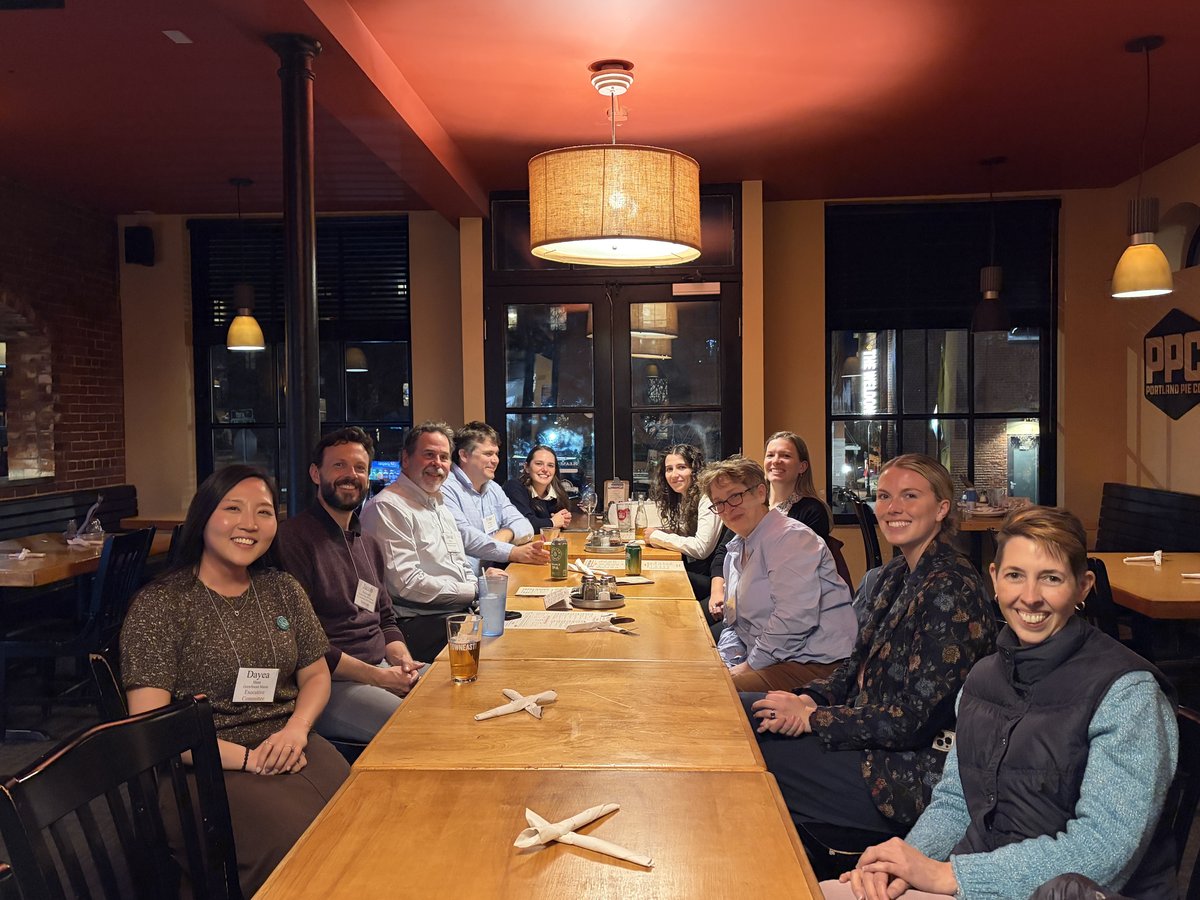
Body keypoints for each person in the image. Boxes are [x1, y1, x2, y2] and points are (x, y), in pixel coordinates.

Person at [826, 506, 1178, 900]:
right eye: (1015, 576)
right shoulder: (982, 678)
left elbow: (1102, 851)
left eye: (1051, 578)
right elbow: (956, 803)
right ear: (994, 580)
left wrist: (952, 877)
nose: (1030, 598)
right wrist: (907, 864)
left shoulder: (1128, 693)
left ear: (1083, 586)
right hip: (973, 878)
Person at [744, 454, 996, 869]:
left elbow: (914, 720)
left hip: (909, 772)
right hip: (866, 734)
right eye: (884, 496)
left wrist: (814, 720)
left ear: (942, 509)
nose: (892, 507)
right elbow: (851, 666)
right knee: (736, 712)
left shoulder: (952, 589)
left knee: (752, 755)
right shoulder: (894, 574)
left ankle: (777, 872)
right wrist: (809, 698)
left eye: (909, 496)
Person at [120, 464, 348, 897]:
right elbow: (151, 725)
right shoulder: (162, 605)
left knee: (362, 815)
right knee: (300, 845)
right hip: (202, 763)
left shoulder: (281, 588)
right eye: (233, 509)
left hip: (289, 743)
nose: (249, 524)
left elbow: (316, 672)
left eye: (264, 512)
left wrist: (297, 729)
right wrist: (249, 760)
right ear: (204, 516)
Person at [275, 427, 422, 743]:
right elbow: (303, 644)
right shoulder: (293, 539)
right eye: (338, 465)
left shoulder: (369, 544)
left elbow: (386, 619)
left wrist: (403, 661)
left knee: (457, 698)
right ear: (316, 473)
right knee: (418, 730)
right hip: (329, 684)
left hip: (380, 669)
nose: (350, 475)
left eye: (359, 468)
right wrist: (381, 678)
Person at [700, 456, 857, 692]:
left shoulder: (790, 538)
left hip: (814, 665)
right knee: (694, 675)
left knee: (712, 695)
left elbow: (793, 619)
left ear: (761, 493)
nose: (727, 509)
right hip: (771, 658)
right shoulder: (737, 547)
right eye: (719, 503)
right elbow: (734, 622)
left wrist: (750, 665)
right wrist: (727, 661)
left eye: (735, 496)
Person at [359, 421, 481, 661]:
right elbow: (405, 585)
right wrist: (474, 590)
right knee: (498, 644)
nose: (438, 464)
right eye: (429, 455)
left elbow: (461, 563)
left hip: (454, 612)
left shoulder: (438, 502)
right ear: (406, 459)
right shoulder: (387, 507)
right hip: (416, 624)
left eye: (444, 457)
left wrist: (476, 588)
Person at [710, 431, 851, 620]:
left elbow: (794, 578)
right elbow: (723, 552)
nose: (776, 461)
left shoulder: (811, 510)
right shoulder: (751, 501)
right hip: (736, 598)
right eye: (770, 455)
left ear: (802, 466)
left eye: (785, 456)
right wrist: (717, 592)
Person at [440, 420, 550, 574]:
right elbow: (464, 537)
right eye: (488, 454)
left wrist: (506, 533)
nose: (495, 460)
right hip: (467, 585)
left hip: (496, 574)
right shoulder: (445, 488)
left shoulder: (493, 487)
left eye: (496, 453)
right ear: (464, 455)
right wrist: (512, 552)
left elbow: (525, 525)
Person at [644, 444, 722, 599]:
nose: (674, 475)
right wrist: (668, 533)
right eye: (669, 469)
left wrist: (658, 537)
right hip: (701, 571)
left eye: (681, 467)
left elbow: (701, 549)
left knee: (658, 578)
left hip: (715, 582)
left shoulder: (707, 497)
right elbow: (689, 534)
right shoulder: (686, 496)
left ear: (695, 470)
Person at [502, 444, 573, 531]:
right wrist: (552, 522)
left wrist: (564, 520)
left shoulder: (559, 493)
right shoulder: (514, 487)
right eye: (539, 464)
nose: (545, 469)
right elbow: (525, 524)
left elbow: (558, 524)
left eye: (550, 465)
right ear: (527, 467)